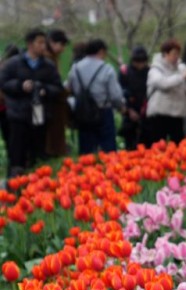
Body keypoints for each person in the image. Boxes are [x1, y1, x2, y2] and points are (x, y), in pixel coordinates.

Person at [0, 29, 63, 178]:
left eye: (44, 43)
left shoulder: (48, 66)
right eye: (39, 42)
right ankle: (15, 184)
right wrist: (20, 86)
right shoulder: (14, 63)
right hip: (18, 114)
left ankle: (37, 183)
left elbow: (57, 87)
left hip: (40, 115)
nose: (43, 46)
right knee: (17, 154)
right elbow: (3, 83)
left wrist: (45, 89)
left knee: (37, 154)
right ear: (30, 44)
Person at [67, 39, 124, 154]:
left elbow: (69, 87)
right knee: (108, 150)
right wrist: (121, 106)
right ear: (101, 51)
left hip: (83, 112)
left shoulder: (75, 68)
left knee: (86, 150)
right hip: (103, 111)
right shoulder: (107, 69)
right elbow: (115, 96)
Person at [146, 39, 186, 144]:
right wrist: (181, 77)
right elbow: (163, 83)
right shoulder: (155, 69)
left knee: (179, 144)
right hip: (160, 114)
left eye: (178, 54)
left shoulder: (181, 68)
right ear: (165, 54)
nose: (177, 57)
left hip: (177, 114)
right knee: (159, 144)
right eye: (174, 54)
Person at [44, 29, 69, 158]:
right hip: (50, 103)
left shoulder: (53, 58)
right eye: (61, 45)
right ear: (52, 43)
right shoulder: (46, 59)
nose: (63, 49)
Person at [118, 46, 150, 150]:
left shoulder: (149, 72)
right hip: (129, 113)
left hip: (147, 114)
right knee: (130, 146)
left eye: (142, 61)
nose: (140, 64)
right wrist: (129, 110)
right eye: (137, 61)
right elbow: (119, 93)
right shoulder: (125, 72)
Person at [0, 45, 20, 165]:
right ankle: (13, 164)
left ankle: (12, 163)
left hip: (5, 109)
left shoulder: (3, 66)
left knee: (9, 139)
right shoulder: (9, 69)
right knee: (13, 139)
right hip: (9, 109)